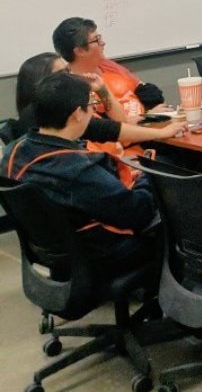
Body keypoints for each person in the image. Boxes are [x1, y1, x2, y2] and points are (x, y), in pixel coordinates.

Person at [2, 72, 159, 275]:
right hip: (101, 256)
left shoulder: (13, 152)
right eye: (91, 102)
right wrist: (147, 173)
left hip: (53, 255)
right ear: (77, 113)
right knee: (170, 222)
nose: (93, 108)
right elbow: (139, 213)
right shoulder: (76, 169)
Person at [11, 52, 186, 144]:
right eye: (63, 73)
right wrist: (162, 133)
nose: (69, 76)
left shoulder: (38, 113)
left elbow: (114, 126)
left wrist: (102, 90)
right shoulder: (52, 115)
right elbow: (109, 129)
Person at [53, 17, 166, 118]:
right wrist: (148, 118)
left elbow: (149, 94)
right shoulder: (71, 88)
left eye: (100, 37)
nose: (103, 43)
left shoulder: (108, 65)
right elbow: (107, 129)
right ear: (80, 51)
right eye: (96, 40)